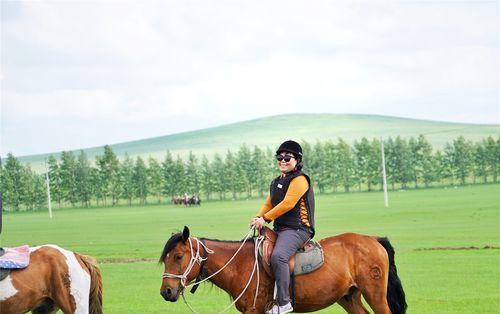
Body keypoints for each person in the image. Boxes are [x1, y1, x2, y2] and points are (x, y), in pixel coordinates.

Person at [251, 140, 315, 314]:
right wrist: (258, 217)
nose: (283, 161)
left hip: (299, 229)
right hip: (280, 229)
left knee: (278, 256)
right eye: (280, 157)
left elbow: (288, 203)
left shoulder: (300, 179)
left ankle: (284, 302)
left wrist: (265, 218)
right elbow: (269, 203)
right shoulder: (276, 182)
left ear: (297, 160)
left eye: (288, 157)